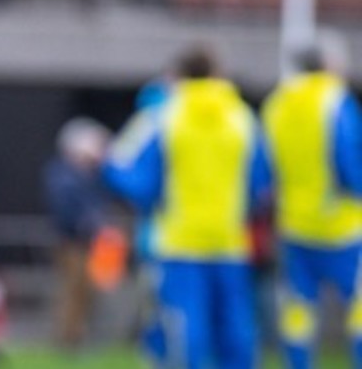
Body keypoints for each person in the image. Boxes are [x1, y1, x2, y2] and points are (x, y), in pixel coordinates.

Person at [103, 44, 271, 369]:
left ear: (178, 75)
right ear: (218, 74)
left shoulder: (164, 116)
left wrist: (151, 201)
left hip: (179, 243)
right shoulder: (241, 118)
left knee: (183, 330)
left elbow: (127, 172)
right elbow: (261, 181)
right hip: (228, 241)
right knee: (235, 332)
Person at [263, 34, 362, 369]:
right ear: (328, 62)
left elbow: (265, 164)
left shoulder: (278, 103)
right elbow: (348, 161)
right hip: (342, 225)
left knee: (298, 308)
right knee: (358, 306)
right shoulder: (334, 100)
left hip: (294, 224)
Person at [41, 116, 112, 349]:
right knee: (72, 289)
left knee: (84, 289)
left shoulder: (85, 175)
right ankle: (67, 337)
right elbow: (68, 209)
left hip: (85, 242)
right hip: (71, 241)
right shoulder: (65, 175)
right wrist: (88, 224)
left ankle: (76, 335)